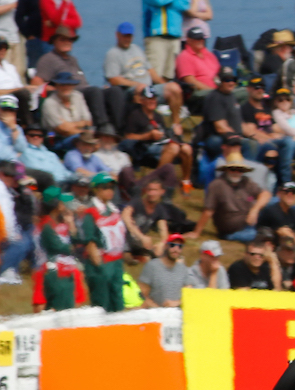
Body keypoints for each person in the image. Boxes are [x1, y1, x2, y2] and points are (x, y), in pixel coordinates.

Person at [35, 27, 122, 132]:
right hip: (70, 91)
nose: (67, 42)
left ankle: (120, 128)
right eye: (62, 39)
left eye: (70, 40)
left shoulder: (73, 60)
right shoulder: (48, 59)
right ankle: (102, 127)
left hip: (84, 90)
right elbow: (36, 84)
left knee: (115, 91)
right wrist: (58, 88)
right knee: (94, 91)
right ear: (54, 41)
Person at [104, 22, 183, 130]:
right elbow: (113, 79)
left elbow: (150, 70)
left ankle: (176, 125)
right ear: (117, 35)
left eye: (129, 36)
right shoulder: (113, 53)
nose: (127, 39)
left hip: (149, 87)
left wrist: (163, 84)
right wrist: (137, 84)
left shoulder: (136, 48)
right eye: (124, 36)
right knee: (142, 89)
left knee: (174, 88)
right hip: (131, 90)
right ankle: (141, 126)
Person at [75, 172, 127, 312]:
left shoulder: (113, 209)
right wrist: (100, 267)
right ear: (96, 190)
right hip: (101, 262)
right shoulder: (91, 212)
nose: (109, 191)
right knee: (102, 303)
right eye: (105, 187)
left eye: (112, 187)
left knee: (117, 300)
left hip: (116, 262)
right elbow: (90, 243)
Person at [190, 154, 270, 243]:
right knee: (261, 237)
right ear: (227, 169)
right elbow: (208, 211)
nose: (236, 172)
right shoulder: (217, 185)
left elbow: (265, 194)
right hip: (232, 231)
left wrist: (255, 210)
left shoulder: (246, 181)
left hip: (251, 221)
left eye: (240, 170)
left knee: (275, 201)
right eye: (233, 169)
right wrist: (196, 232)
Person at [140, 0, 189, 79]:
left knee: (170, 75)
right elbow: (158, 0)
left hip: (174, 37)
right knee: (155, 75)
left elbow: (185, 4)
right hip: (156, 36)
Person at [137, 233, 188, 307]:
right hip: (155, 312)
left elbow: (189, 294)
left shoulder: (183, 269)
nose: (176, 249)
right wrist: (157, 309)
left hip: (176, 313)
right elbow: (142, 294)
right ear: (166, 246)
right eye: (172, 245)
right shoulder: (152, 266)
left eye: (180, 246)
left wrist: (177, 302)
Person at [39, 71, 92, 140]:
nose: (66, 87)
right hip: (57, 138)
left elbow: (88, 122)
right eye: (62, 85)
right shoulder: (49, 103)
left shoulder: (78, 96)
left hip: (80, 136)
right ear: (56, 86)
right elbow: (63, 130)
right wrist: (83, 131)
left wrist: (70, 124)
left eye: (69, 84)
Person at [175, 26, 220, 94]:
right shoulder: (184, 56)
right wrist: (213, 92)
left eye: (202, 38)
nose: (201, 41)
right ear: (189, 40)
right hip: (199, 93)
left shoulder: (209, 55)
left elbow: (218, 74)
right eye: (197, 39)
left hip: (216, 91)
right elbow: (190, 81)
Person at [0, 0, 24, 76]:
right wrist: (13, 5)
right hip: (3, 37)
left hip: (14, 37)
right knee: (4, 71)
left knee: (18, 72)